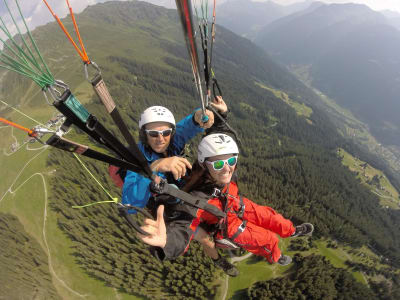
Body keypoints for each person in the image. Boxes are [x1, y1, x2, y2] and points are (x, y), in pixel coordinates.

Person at [138, 133, 314, 266]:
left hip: (235, 202)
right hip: (226, 224)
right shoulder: (196, 199)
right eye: (218, 164)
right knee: (268, 239)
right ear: (204, 165)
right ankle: (276, 257)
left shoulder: (222, 172)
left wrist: (219, 114)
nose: (227, 168)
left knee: (272, 217)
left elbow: (217, 139)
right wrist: (167, 243)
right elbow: (183, 227)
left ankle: (291, 231)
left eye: (231, 160)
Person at [122, 100, 239, 276]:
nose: (160, 138)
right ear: (144, 134)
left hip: (185, 192)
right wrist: (155, 166)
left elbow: (189, 125)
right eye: (153, 133)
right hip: (171, 209)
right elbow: (130, 202)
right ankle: (218, 261)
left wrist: (207, 115)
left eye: (166, 132)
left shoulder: (172, 143)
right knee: (206, 239)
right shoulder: (137, 157)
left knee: (209, 167)